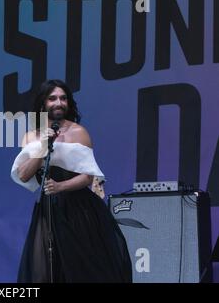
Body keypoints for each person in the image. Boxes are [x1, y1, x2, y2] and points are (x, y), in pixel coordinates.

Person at [11, 79, 132, 283]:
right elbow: (23, 175)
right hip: (47, 211)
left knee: (82, 271)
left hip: (80, 210)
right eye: (53, 98)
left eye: (63, 98)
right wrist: (42, 146)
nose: (59, 103)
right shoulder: (31, 136)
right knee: (43, 272)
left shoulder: (79, 132)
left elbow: (88, 176)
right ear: (43, 104)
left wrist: (61, 186)